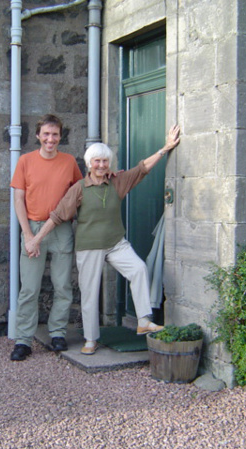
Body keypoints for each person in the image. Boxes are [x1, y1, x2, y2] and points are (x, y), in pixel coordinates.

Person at [28, 124, 181, 355]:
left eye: (105, 161)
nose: (101, 165)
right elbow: (58, 215)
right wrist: (37, 239)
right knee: (90, 293)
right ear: (89, 164)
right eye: (97, 161)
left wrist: (165, 148)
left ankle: (143, 320)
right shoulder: (79, 189)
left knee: (139, 269)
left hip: (116, 243)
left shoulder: (117, 182)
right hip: (89, 247)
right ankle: (91, 339)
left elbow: (141, 169)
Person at [9, 114, 84, 361]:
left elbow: (81, 193)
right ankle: (23, 340)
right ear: (39, 136)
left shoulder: (69, 161)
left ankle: (58, 333)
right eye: (46, 134)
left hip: (61, 229)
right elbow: (18, 199)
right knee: (29, 288)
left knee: (62, 285)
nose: (50, 139)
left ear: (60, 137)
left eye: (55, 135)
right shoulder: (25, 161)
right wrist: (29, 235)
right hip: (32, 227)